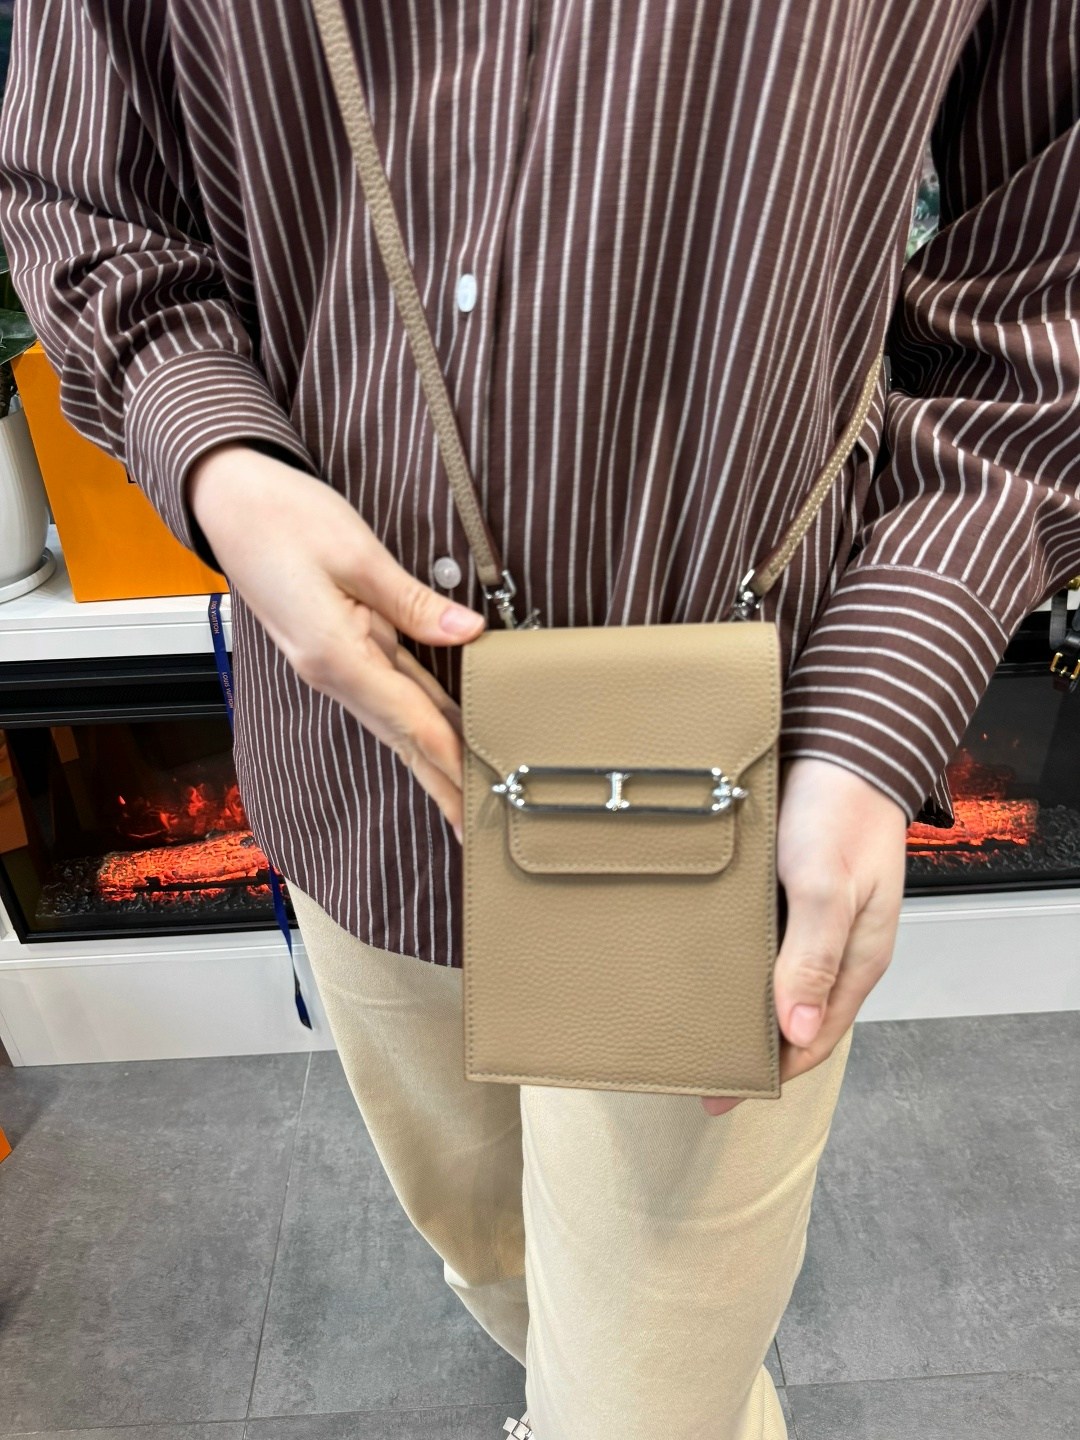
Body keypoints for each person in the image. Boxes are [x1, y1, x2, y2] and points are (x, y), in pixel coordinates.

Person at [0, 3, 1076, 1435]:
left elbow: (1044, 300)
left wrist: (877, 717)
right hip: (357, 777)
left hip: (722, 802)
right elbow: (87, 197)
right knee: (486, 1251)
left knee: (651, 1407)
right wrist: (222, 467)